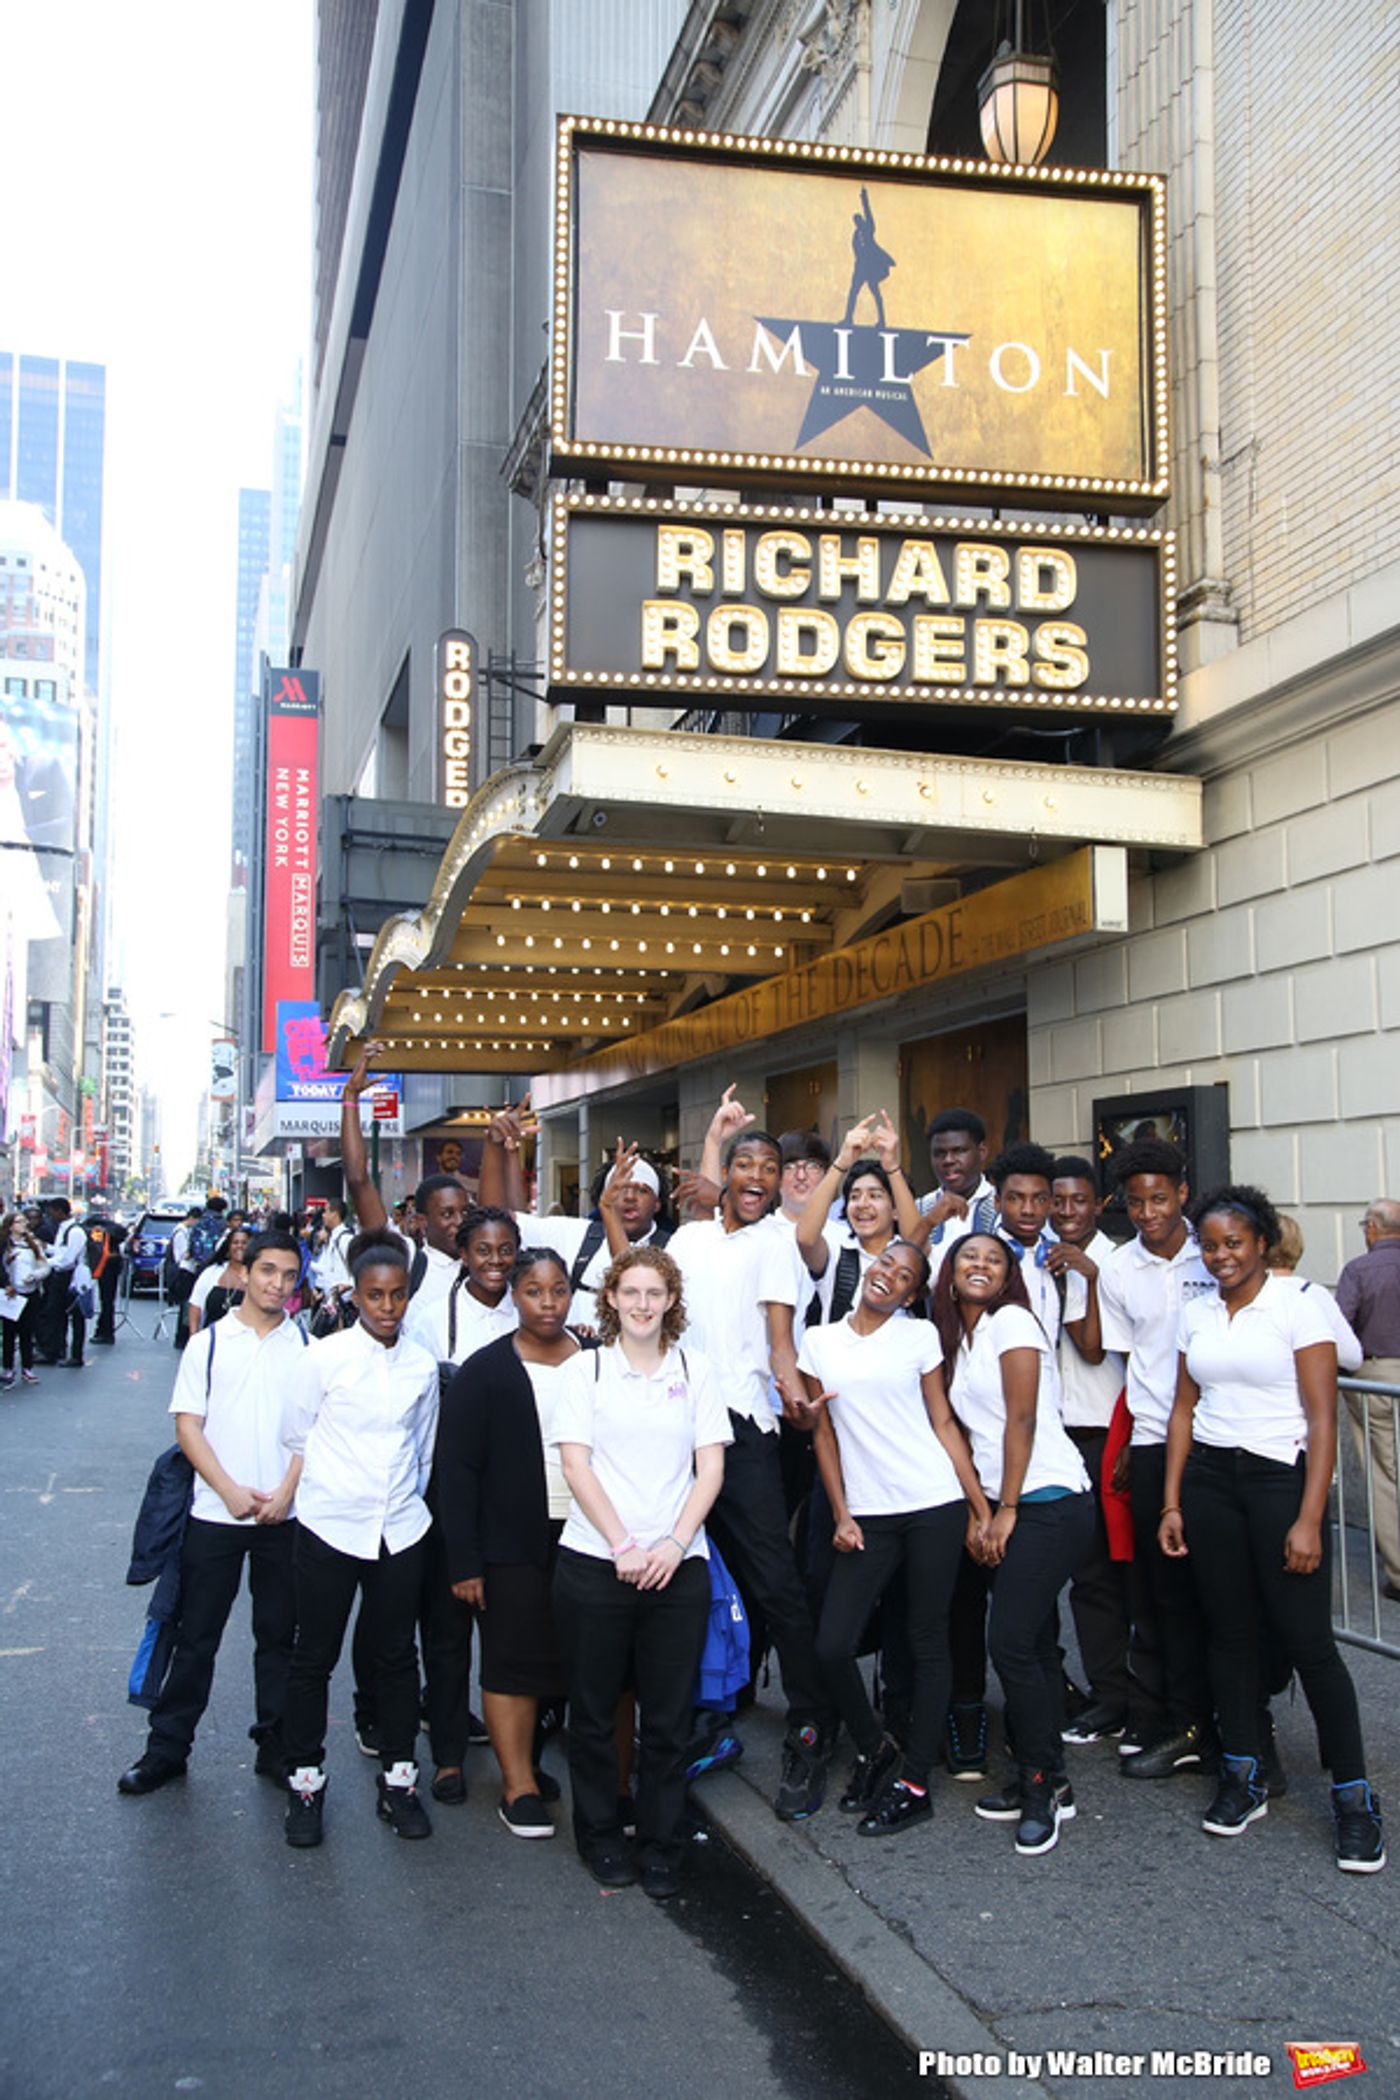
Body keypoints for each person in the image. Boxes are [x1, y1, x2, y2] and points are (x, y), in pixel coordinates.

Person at [1159, 1187, 1385, 1871]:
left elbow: (1321, 1420)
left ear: (1262, 1242)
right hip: (1209, 1485)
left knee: (1308, 1641)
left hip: (1277, 1483)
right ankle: (1245, 1771)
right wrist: (1171, 1501)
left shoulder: (1298, 1306)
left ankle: (1353, 1797)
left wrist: (1310, 1519)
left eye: (1235, 1242)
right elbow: (1181, 1411)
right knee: (1227, 1635)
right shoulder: (1196, 1312)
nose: (1222, 1254)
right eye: (1212, 1243)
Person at [632, 1089, 838, 1822]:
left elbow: (781, 1341)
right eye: (744, 1163)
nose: (757, 1175)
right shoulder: (686, 1242)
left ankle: (813, 1720)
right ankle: (707, 1718)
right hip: (678, 1429)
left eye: (770, 1167)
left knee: (771, 1581)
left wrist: (799, 1402)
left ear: (781, 1182)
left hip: (746, 1431)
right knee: (687, 1579)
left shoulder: (776, 1243)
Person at [551, 1245, 729, 1897]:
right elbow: (577, 1466)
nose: (643, 1304)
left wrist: (674, 1544)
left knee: (667, 1718)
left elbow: (710, 1467)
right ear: (612, 1300)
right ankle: (600, 1836)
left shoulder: (696, 1370)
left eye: (656, 1293)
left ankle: (660, 1840)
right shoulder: (586, 1371)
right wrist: (624, 1543)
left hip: (678, 1567)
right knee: (593, 1715)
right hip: (596, 1563)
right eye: (631, 1293)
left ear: (672, 1301)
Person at [799, 1239, 991, 1836]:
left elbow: (940, 1420)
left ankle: (912, 1782)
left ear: (912, 1294)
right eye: (886, 1265)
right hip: (869, 1512)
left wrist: (980, 1507)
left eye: (905, 1276)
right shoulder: (820, 1341)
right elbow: (823, 1435)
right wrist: (840, 1514)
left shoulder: (917, 1337)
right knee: (831, 1645)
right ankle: (875, 1748)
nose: (890, 1277)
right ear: (868, 1269)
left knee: (927, 1638)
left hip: (933, 1501)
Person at [117, 1231, 307, 1796]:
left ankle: (274, 1746)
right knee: (195, 1637)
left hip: (283, 1517)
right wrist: (226, 1491)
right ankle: (166, 1749)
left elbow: (311, 1433)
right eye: (268, 1270)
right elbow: (187, 1427)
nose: (277, 1283)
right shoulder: (210, 1344)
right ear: (244, 1273)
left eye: (289, 1274)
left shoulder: (305, 1346)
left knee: (278, 1639)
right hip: (214, 1515)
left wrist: (284, 1494)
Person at [932, 1233, 1094, 1857]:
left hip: (1048, 1500)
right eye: (968, 1258)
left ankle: (1042, 1785)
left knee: (1011, 1643)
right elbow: (967, 1436)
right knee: (1031, 1643)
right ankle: (1047, 1772)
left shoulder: (1013, 1322)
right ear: (950, 1276)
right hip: (1006, 1503)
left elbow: (1021, 1420)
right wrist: (981, 1511)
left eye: (993, 1260)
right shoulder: (963, 1340)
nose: (979, 1265)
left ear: (1007, 1277)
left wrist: (1004, 1510)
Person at [279, 1228, 441, 1848]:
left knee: (397, 1657)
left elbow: (423, 1446)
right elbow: (298, 1434)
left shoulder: (422, 1365)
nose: (388, 1308)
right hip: (329, 1525)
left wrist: (402, 1500)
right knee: (313, 1656)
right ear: (355, 1296)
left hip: (399, 1528)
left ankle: (399, 1780)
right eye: (375, 1296)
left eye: (398, 1295)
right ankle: (305, 1782)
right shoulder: (323, 1358)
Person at [435, 1247, 580, 1837]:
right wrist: (465, 1560)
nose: (548, 1303)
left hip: (586, 1534)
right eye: (534, 1291)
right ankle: (517, 1785)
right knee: (511, 1659)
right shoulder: (485, 1370)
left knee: (571, 1656)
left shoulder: (596, 1359)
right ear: (515, 1297)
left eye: (559, 1290)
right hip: (511, 1538)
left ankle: (541, 1765)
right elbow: (458, 1469)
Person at [1096, 1139, 1220, 1779]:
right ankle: (1177, 1718)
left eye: (1160, 1199)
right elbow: (1130, 1367)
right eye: (1137, 1202)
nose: (1148, 1212)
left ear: (1183, 1193)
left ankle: (1232, 1720)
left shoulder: (1220, 1249)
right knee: (1160, 1593)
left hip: (1222, 1441)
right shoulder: (1118, 1270)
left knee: (1222, 1591)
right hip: (1151, 1443)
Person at [1046, 1157, 1134, 1745]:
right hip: (1051, 1433)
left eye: (1079, 1202)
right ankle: (1062, 1688)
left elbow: (1095, 1350)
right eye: (1059, 1202)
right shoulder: (1039, 1256)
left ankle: (1116, 1695)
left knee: (1102, 1576)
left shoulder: (1114, 1262)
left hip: (1105, 1432)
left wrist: (1087, 1275)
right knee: (1055, 1573)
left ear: (1098, 1204)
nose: (1067, 1212)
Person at [481, 1095, 673, 1331]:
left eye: (642, 1190)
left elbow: (631, 1274)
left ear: (657, 1204)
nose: (630, 1197)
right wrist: (494, 1145)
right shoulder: (575, 1234)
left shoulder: (678, 1247)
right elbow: (495, 1221)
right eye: (620, 1189)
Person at [1335, 1199, 1400, 1601]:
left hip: (1376, 1375)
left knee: (1383, 1475)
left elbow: (1342, 1330)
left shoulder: (1359, 1270)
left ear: (1373, 1229)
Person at [915, 1109, 998, 1278]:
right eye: (940, 1153)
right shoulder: (921, 1208)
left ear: (982, 1152)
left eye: (959, 1151)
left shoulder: (1000, 1206)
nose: (948, 1160)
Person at [35, 1196, 90, 1367]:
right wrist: (46, 1248)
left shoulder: (75, 1231)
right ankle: (56, 1350)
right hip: (62, 1275)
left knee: (75, 1315)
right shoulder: (64, 1229)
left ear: (60, 1211)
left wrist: (45, 1262)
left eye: (52, 1212)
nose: (50, 1216)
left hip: (71, 1277)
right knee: (56, 1314)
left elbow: (67, 1259)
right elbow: (60, 1252)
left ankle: (76, 1355)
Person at [1, 1210, 51, 1387]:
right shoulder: (4, 1245)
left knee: (27, 1332)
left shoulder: (32, 1244)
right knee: (9, 1332)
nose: (24, 1225)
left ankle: (27, 1368)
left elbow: (44, 1266)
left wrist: (35, 1275)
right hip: (10, 1294)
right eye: (19, 1222)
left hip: (30, 1292)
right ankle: (8, 1367)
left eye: (24, 1222)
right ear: (10, 1226)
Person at [187, 1226, 251, 1338]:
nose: (240, 1246)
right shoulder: (212, 1272)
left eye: (244, 1243)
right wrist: (194, 1335)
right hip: (212, 1339)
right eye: (235, 1243)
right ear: (228, 1247)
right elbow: (195, 1305)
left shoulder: (256, 1275)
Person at [83, 1202, 127, 1345]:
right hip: (111, 1266)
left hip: (105, 1266)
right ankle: (105, 1330)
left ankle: (105, 1332)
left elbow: (95, 1247)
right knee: (108, 1301)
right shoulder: (113, 1230)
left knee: (106, 1301)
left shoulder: (96, 1230)